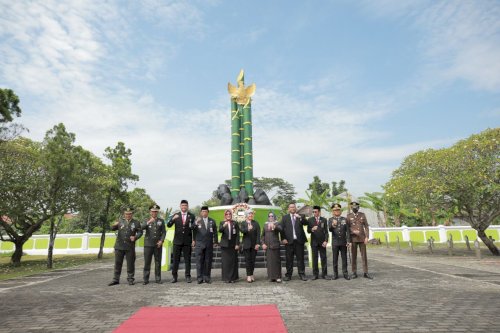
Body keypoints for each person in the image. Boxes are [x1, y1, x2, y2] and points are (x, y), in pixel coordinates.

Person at [108, 207, 142, 286]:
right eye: (126, 214)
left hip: (130, 246)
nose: (128, 215)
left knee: (130, 263)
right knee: (117, 263)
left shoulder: (136, 222)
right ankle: (116, 279)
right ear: (124, 214)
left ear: (132, 214)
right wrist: (114, 224)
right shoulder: (120, 222)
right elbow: (112, 228)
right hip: (119, 246)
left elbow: (140, 232)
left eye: (129, 214)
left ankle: (130, 279)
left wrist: (135, 237)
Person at [167, 199, 195, 283]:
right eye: (182, 205)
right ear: (180, 206)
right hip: (177, 241)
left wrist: (194, 239)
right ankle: (174, 277)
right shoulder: (176, 215)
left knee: (188, 260)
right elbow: (168, 225)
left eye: (185, 205)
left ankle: (188, 276)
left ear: (187, 206)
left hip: (187, 241)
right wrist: (172, 219)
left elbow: (194, 228)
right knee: (176, 260)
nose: (184, 207)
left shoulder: (191, 216)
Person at [280, 203, 308, 281]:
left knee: (300, 259)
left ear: (295, 208)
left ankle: (302, 274)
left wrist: (300, 217)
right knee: (289, 259)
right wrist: (283, 238)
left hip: (299, 241)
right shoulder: (285, 218)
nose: (292, 208)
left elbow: (306, 223)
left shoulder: (300, 216)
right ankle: (288, 275)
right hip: (289, 242)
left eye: (293, 207)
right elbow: (281, 229)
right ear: (288, 209)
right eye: (291, 207)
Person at [192, 206, 218, 284]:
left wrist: (215, 241)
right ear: (200, 212)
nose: (204, 213)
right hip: (199, 244)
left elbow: (215, 232)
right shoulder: (197, 220)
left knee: (208, 261)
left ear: (208, 212)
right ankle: (199, 278)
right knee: (199, 261)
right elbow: (192, 228)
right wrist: (196, 222)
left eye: (205, 211)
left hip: (209, 244)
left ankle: (207, 277)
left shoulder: (212, 221)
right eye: (203, 211)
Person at [141, 203, 166, 285]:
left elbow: (164, 232)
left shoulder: (161, 221)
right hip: (148, 244)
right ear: (150, 212)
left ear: (157, 212)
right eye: (153, 211)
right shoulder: (146, 220)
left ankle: (158, 278)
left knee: (158, 262)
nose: (154, 213)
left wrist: (161, 241)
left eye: (156, 211)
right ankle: (145, 279)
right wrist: (148, 222)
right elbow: (141, 227)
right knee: (147, 262)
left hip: (157, 245)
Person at [347, 201, 373, 279]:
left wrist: (367, 237)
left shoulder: (362, 215)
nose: (355, 209)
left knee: (364, 256)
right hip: (353, 239)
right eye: (353, 208)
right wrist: (350, 239)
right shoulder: (348, 216)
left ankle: (365, 272)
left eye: (356, 208)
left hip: (362, 238)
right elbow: (347, 228)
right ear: (351, 208)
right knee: (354, 256)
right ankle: (354, 272)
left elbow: (366, 226)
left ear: (358, 208)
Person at [328, 203, 351, 280]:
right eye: (335, 210)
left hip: (343, 242)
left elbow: (347, 231)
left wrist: (348, 241)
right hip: (335, 242)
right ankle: (335, 274)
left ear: (340, 211)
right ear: (333, 211)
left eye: (338, 210)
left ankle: (345, 273)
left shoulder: (344, 219)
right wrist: (333, 225)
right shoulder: (330, 219)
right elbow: (330, 229)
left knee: (344, 259)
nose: (337, 211)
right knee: (335, 259)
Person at [307, 205, 329, 280]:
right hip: (314, 242)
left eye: (315, 212)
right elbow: (308, 230)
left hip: (322, 242)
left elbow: (326, 232)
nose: (314, 213)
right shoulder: (310, 220)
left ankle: (324, 274)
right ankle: (315, 274)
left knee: (323, 258)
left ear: (319, 212)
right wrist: (312, 229)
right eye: (313, 212)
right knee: (314, 259)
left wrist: (326, 241)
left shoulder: (324, 220)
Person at [219, 209, 240, 283]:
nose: (228, 215)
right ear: (225, 215)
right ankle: (226, 278)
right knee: (225, 262)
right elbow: (220, 230)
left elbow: (237, 235)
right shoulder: (222, 222)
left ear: (231, 215)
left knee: (233, 262)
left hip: (233, 245)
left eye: (229, 214)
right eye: (227, 214)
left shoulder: (235, 223)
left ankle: (233, 278)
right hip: (225, 245)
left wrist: (237, 244)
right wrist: (224, 225)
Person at [261, 212, 283, 283]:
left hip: (275, 245)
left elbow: (280, 229)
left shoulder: (277, 223)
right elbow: (262, 235)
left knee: (276, 262)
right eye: (269, 216)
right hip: (268, 246)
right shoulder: (265, 225)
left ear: (274, 217)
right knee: (270, 262)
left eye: (272, 216)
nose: (271, 217)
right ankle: (271, 277)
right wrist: (263, 243)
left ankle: (278, 277)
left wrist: (275, 226)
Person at [240, 209, 261, 283]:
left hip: (254, 245)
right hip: (246, 245)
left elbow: (258, 234)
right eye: (249, 214)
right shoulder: (243, 223)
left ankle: (251, 274)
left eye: (251, 214)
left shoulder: (256, 223)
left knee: (252, 260)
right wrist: (247, 229)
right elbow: (242, 231)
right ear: (246, 215)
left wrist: (258, 243)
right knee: (247, 260)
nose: (250, 215)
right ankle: (248, 275)